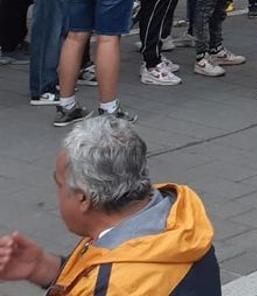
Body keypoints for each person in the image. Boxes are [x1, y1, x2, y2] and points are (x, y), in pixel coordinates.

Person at [0, 114, 220, 293]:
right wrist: (44, 268)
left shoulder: (115, 286)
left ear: (83, 198)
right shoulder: (181, 224)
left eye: (59, 185)